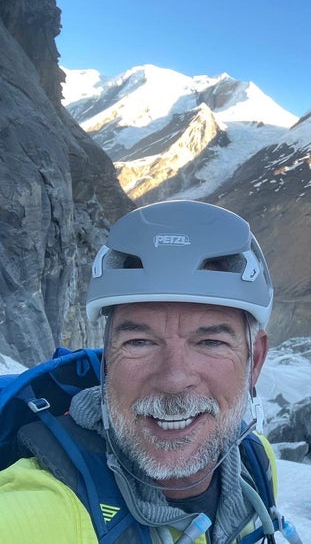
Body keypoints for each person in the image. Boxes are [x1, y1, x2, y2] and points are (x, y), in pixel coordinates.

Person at [0, 200, 283, 543]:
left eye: (210, 342)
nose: (174, 379)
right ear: (107, 362)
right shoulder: (45, 511)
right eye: (139, 342)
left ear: (255, 360)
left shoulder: (256, 461)